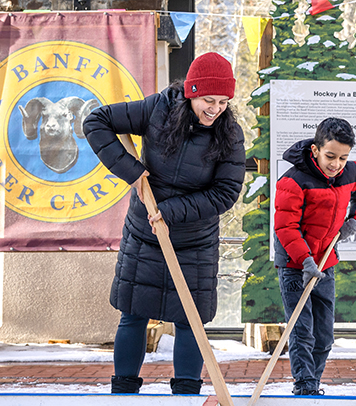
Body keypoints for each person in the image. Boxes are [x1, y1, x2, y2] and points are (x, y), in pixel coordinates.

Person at [83, 52, 246, 395]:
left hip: (194, 243)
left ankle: (186, 395)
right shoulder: (157, 109)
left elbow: (225, 193)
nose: (215, 109)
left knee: (190, 320)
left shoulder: (230, 134)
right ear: (191, 93)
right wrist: (131, 171)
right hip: (144, 236)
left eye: (222, 102)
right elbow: (95, 122)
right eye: (208, 100)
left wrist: (170, 211)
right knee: (133, 314)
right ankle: (124, 394)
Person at [273, 117, 356, 396]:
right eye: (330, 156)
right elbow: (285, 226)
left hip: (326, 261)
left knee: (325, 334)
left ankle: (313, 381)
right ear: (316, 149)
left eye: (343, 157)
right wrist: (304, 261)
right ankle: (305, 385)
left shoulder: (351, 173)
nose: (336, 164)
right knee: (302, 328)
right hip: (295, 264)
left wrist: (355, 220)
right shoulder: (293, 181)